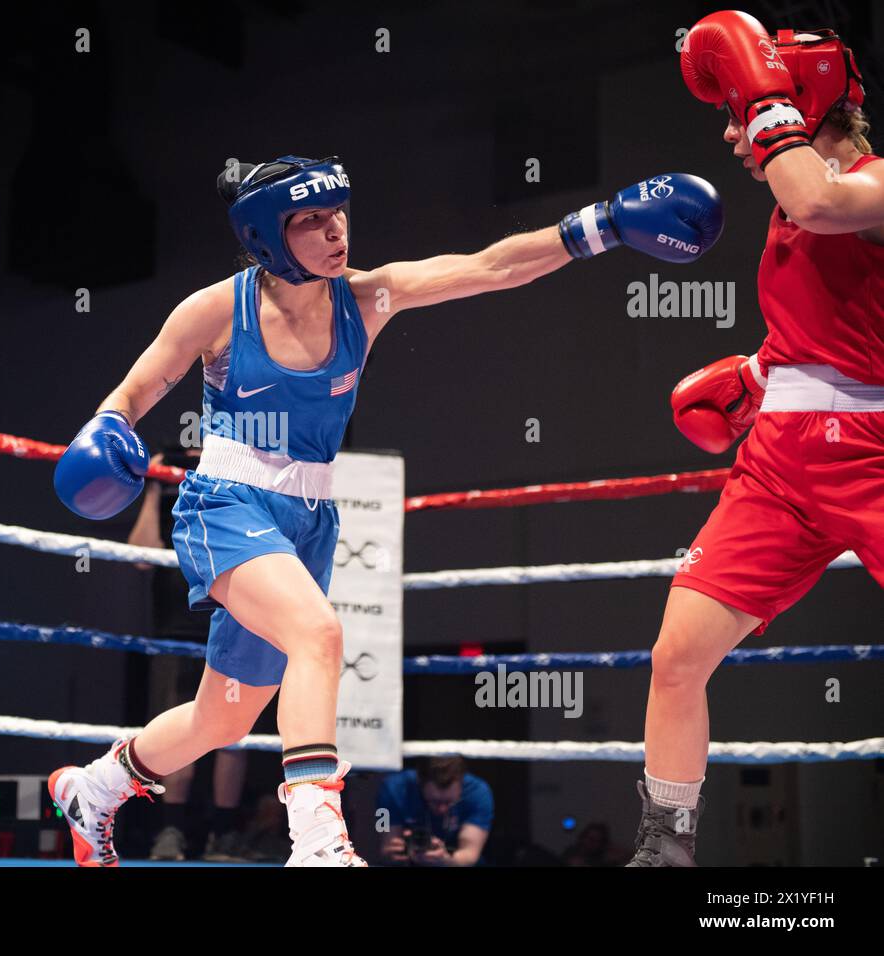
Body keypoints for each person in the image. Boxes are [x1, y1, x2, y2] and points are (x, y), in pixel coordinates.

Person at [49, 153, 723, 867]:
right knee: (319, 635)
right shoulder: (217, 309)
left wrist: (603, 225)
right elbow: (135, 390)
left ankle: (93, 788)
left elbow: (492, 266)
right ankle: (316, 842)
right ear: (268, 237)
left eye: (337, 211)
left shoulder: (368, 299)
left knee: (226, 713)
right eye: (310, 219)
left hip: (308, 521)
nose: (335, 229)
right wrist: (108, 429)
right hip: (227, 503)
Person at [624, 12, 883, 867]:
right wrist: (760, 374)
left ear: (799, 101)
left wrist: (766, 96)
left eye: (745, 113)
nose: (737, 134)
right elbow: (828, 328)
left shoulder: (867, 186)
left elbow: (821, 199)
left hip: (876, 458)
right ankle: (666, 848)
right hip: (780, 465)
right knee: (675, 657)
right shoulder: (784, 209)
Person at [127, 446, 252, 862]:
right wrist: (152, 490)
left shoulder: (237, 477)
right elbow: (141, 558)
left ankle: (223, 835)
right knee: (182, 726)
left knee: (234, 731)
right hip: (177, 628)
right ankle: (171, 830)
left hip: (235, 617)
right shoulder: (169, 484)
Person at [375, 756, 493, 867]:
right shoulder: (391, 790)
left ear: (461, 784)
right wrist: (392, 853)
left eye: (449, 802)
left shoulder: (479, 793)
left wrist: (445, 860)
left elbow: (470, 854)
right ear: (420, 783)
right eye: (434, 801)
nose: (442, 809)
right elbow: (385, 842)